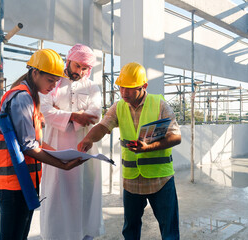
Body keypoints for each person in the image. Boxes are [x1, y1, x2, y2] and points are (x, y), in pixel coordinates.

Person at [78, 62, 182, 240]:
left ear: (144, 86)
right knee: (130, 229)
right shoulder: (119, 107)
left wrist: (148, 147)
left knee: (169, 230)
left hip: (160, 180)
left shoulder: (159, 104)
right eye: (121, 88)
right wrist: (88, 138)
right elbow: (103, 126)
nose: (124, 93)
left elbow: (176, 136)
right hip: (132, 181)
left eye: (129, 88)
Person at [0, 49, 85, 240]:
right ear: (35, 73)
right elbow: (28, 146)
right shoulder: (22, 97)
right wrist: (62, 164)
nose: (53, 85)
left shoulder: (31, 97)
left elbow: (36, 142)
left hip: (23, 180)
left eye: (56, 81)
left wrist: (62, 153)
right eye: (50, 80)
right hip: (13, 183)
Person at [39, 43, 104, 240]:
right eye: (77, 66)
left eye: (85, 68)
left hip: (84, 145)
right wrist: (75, 116)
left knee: (85, 190)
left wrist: (64, 113)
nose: (81, 71)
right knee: (56, 191)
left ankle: (84, 234)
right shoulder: (53, 82)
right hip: (56, 145)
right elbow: (45, 111)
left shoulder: (92, 86)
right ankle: (55, 235)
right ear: (68, 61)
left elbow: (96, 114)